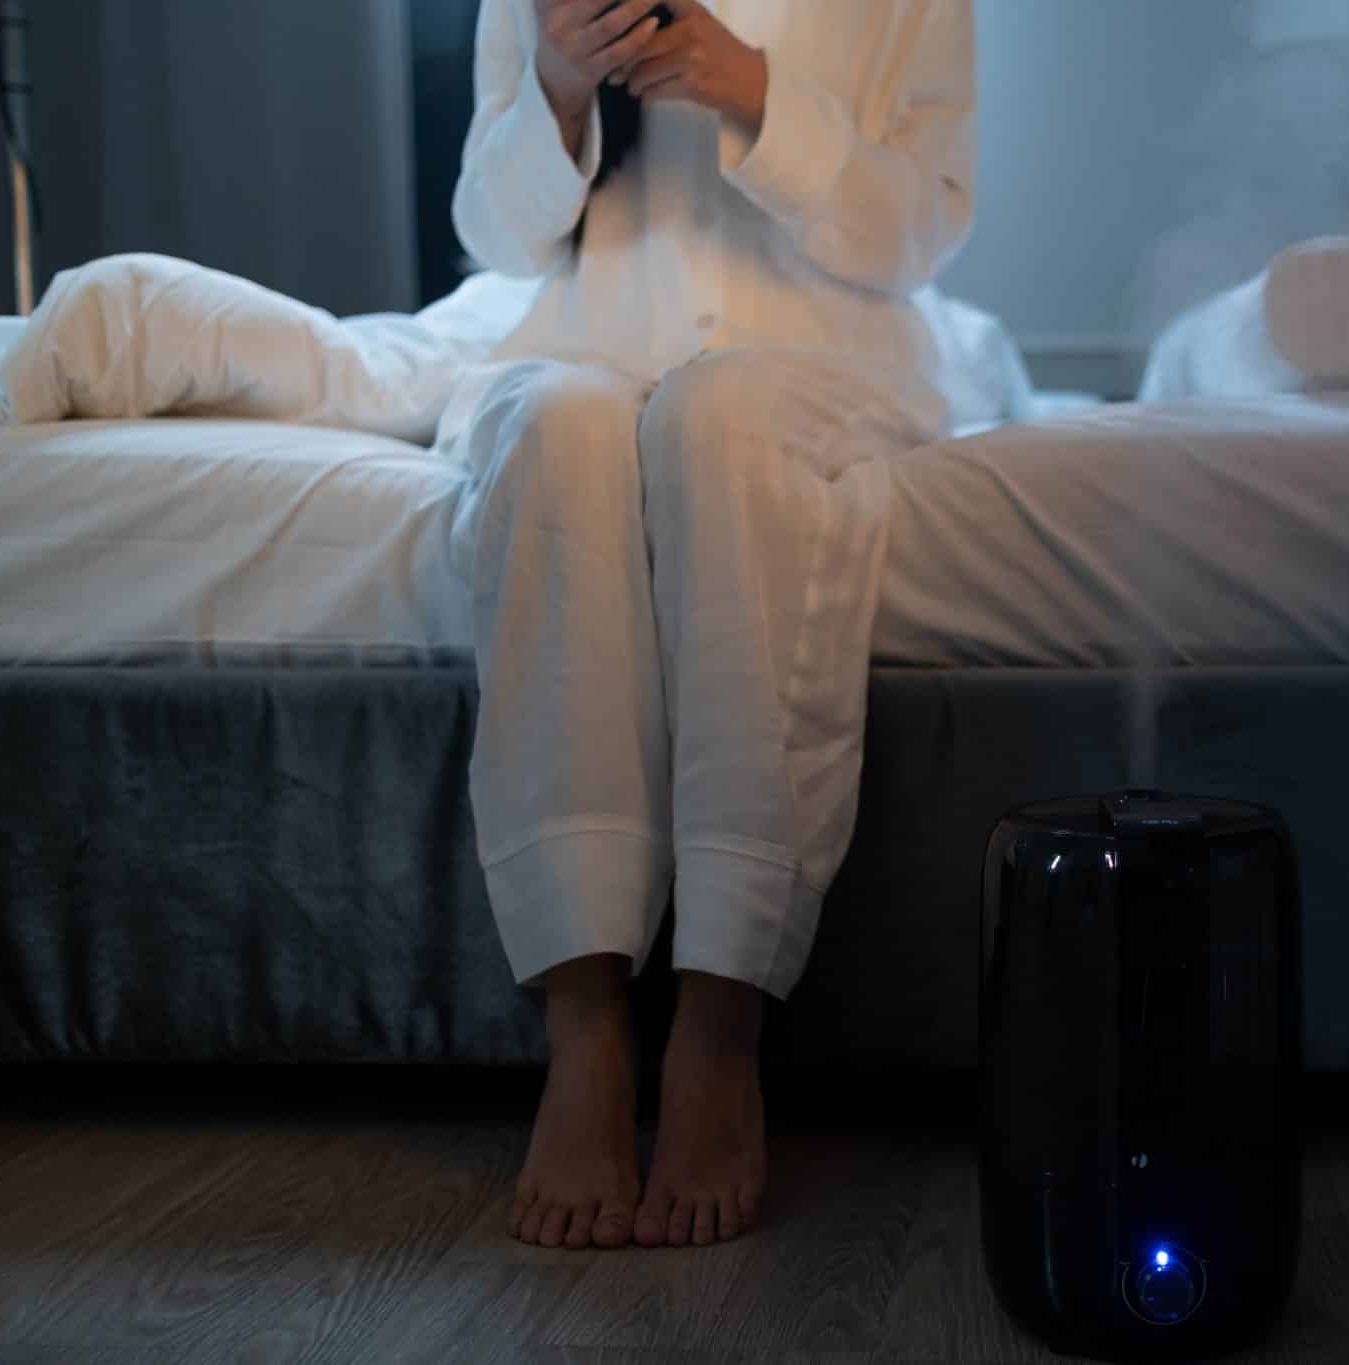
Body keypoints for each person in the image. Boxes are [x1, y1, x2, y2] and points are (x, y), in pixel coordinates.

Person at [446, 0, 976, 1250]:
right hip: (587, 340)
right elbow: (489, 236)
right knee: (552, 434)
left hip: (822, 363)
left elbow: (925, 229)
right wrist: (561, 85)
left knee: (720, 419)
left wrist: (754, 91)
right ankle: (581, 1031)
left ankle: (717, 1026)